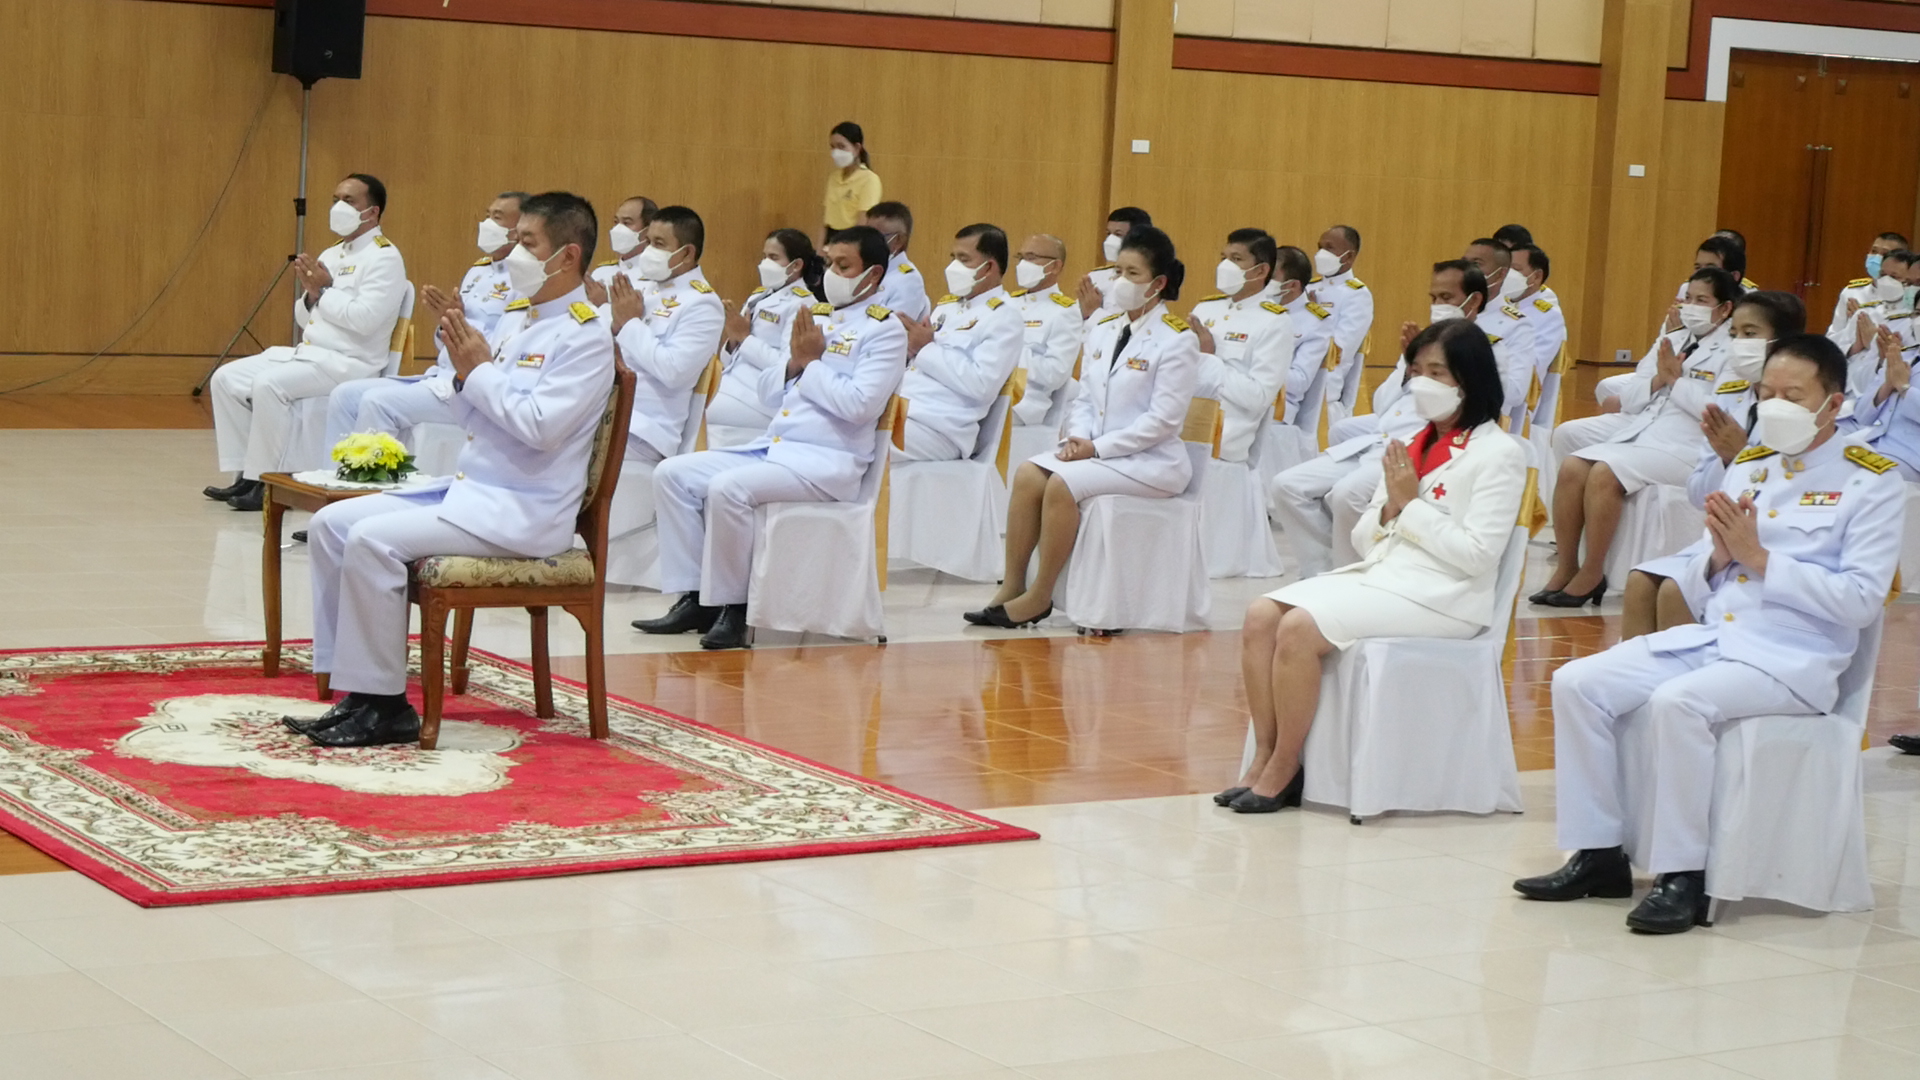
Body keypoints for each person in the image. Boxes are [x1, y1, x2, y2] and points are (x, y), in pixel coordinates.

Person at [1516, 334, 1903, 934]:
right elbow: (1702, 574)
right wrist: (1720, 559)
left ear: (1833, 403)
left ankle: (1683, 874)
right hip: (1717, 642)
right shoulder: (1751, 464)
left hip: (1793, 661)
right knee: (1578, 683)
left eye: (1794, 395)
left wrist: (1761, 558)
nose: (1775, 405)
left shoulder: (1870, 480)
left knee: (1678, 703)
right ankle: (1599, 853)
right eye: (1766, 393)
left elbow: (1859, 601)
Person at [290, 192, 614, 747]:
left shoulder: (585, 336)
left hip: (522, 509)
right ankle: (356, 691)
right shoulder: (520, 318)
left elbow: (541, 428)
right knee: (330, 525)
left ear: (567, 256)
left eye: (528, 241)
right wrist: (465, 375)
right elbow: (474, 414)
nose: (514, 251)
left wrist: (479, 371)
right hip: (475, 491)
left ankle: (386, 706)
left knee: (371, 541)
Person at [1226, 320, 1524, 812]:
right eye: (1417, 370)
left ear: (1469, 380)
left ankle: (1286, 765)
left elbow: (1477, 555)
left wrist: (1410, 505)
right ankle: (1263, 755)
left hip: (1445, 597)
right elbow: (1365, 537)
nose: (1422, 382)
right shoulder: (1412, 445)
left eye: (1437, 373)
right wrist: (1389, 511)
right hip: (1386, 578)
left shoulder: (1500, 453)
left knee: (1299, 627)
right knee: (1261, 614)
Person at [635, 225, 909, 650]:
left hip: (827, 461)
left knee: (728, 489)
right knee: (672, 475)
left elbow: (859, 405)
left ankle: (736, 608)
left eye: (844, 266)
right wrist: (794, 364)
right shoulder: (815, 316)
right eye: (830, 263)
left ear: (872, 275)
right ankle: (696, 597)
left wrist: (810, 364)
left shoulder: (885, 330)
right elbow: (767, 391)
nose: (832, 274)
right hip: (777, 448)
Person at [965, 225, 1198, 629]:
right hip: (1098, 451)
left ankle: (1041, 595)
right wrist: (1079, 436)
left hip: (1151, 461)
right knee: (1029, 474)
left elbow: (1162, 421)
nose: (1121, 282)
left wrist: (1097, 448)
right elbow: (1086, 397)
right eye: (1119, 271)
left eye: (1133, 274)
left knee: (1061, 484)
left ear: (1158, 284)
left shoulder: (1177, 340)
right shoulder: (1105, 329)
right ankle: (1013, 585)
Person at [1532, 267, 1745, 607]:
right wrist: (1659, 380)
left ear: (1725, 308)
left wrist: (1675, 382)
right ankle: (1567, 566)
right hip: (1647, 431)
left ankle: (1593, 572)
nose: (1691, 307)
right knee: (1573, 466)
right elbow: (1630, 398)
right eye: (1688, 299)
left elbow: (1717, 411)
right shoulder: (1673, 339)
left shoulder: (1733, 351)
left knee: (1605, 472)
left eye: (1702, 300)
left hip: (1688, 445)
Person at [205, 174, 408, 511]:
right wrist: (313, 295)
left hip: (349, 361)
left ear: (372, 212)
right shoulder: (333, 252)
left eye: (349, 201)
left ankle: (267, 483)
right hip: (311, 355)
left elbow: (365, 320)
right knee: (226, 379)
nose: (338, 206)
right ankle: (245, 474)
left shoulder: (384, 258)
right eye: (335, 199)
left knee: (269, 384)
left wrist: (324, 291)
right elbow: (305, 318)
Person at [1619, 290, 1807, 639]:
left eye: (1750, 334)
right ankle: (1640, 674)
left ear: (1784, 341)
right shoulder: (1731, 395)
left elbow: (1793, 487)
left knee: (1675, 590)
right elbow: (1698, 493)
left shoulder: (1802, 407)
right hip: (1722, 537)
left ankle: (1687, 671)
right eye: (1734, 334)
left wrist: (1742, 456)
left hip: (1774, 540)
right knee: (1640, 582)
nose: (1738, 343)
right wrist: (1726, 458)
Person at [323, 191, 525, 452]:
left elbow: (505, 347)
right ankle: (334, 475)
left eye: (497, 217)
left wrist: (460, 323)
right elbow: (443, 345)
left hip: (470, 386)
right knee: (344, 396)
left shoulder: (523, 280)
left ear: (520, 228)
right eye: (487, 215)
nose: (487, 224)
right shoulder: (478, 270)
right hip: (440, 374)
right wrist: (447, 323)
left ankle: (371, 476)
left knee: (377, 403)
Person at [1271, 335, 1431, 579]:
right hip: (1374, 443)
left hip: (1407, 450)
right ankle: (1320, 571)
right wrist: (1408, 368)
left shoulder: (1463, 359)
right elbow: (1381, 405)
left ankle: (1349, 575)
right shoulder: (1418, 353)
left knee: (1346, 493)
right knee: (1286, 485)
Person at [604, 205, 726, 467]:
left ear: (687, 253)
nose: (649, 251)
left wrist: (629, 324)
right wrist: (616, 327)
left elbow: (674, 371)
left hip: (645, 429)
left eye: (659, 244)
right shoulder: (645, 289)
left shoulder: (702, 303)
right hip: (610, 411)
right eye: (648, 242)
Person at [895, 224, 1025, 461]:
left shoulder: (1004, 316)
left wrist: (925, 349)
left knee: (858, 445)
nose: (953, 266)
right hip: (904, 411)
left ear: (989, 267)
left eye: (963, 259)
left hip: (940, 427)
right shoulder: (947, 307)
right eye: (953, 257)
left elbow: (981, 386)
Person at [707, 229, 824, 447]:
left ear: (796, 265)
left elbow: (788, 366)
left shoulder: (803, 305)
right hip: (731, 383)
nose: (764, 263)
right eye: (764, 256)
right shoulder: (759, 295)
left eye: (773, 257)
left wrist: (744, 338)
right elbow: (731, 358)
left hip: (758, 396)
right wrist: (733, 340)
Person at [1189, 230, 1294, 464]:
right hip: (1183, 413)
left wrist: (1209, 359)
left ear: (1261, 271)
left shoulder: (1274, 322)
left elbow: (1258, 397)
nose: (1225, 266)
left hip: (1225, 431)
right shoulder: (1205, 309)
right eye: (1223, 258)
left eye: (1236, 259)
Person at [1007, 233, 1084, 427]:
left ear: (1055, 266)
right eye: (1021, 257)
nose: (1023, 264)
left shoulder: (1064, 312)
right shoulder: (1007, 303)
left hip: (1024, 402)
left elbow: (1055, 373)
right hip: (990, 389)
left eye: (1031, 258)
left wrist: (1008, 353)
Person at [1462, 239, 1539, 422]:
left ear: (1500, 274)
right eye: (1464, 262)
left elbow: (1516, 393)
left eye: (1476, 264)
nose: (1466, 270)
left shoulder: (1516, 325)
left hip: (1481, 419)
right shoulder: (1450, 312)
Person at [1314, 225, 1374, 423]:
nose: (1321, 253)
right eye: (1320, 247)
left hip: (1326, 388)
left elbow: (1339, 351)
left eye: (1329, 248)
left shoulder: (1356, 294)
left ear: (1348, 256)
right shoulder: (1309, 287)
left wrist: (1313, 318)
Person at [1275, 246, 1336, 427]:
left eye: (1272, 277)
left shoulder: (1315, 322)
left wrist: (1257, 367)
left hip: (1277, 407)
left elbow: (1299, 382)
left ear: (1292, 285)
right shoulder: (1255, 310)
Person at [1077, 207, 1154, 318]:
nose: (1109, 241)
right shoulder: (1096, 277)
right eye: (1108, 233)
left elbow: (1130, 322)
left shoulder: (1145, 279)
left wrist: (1094, 313)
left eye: (1118, 234)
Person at [863, 201, 931, 321]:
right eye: (866, 235)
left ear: (899, 240)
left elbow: (894, 327)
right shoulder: (864, 269)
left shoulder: (908, 280)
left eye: (877, 236)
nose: (869, 242)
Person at [585, 196, 657, 304]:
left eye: (627, 223)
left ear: (648, 229)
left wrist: (603, 304)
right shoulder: (600, 273)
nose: (618, 229)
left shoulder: (656, 276)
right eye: (616, 222)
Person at [823, 121, 882, 237]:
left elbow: (863, 223)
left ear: (857, 148)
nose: (836, 152)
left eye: (841, 146)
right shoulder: (833, 177)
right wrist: (820, 246)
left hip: (851, 237)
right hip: (831, 237)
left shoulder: (869, 179)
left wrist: (848, 245)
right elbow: (826, 220)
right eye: (833, 147)